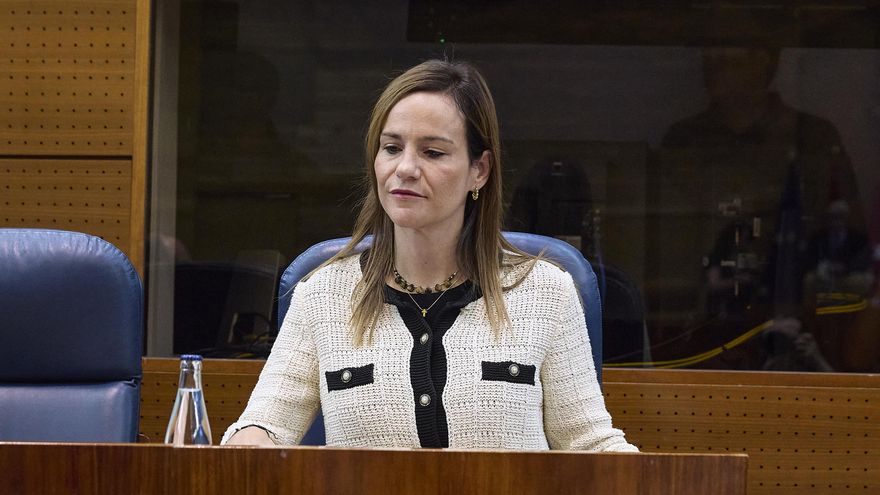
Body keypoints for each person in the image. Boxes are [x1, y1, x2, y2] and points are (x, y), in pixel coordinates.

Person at [221, 60, 637, 451]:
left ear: (479, 170)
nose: (404, 168)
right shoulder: (321, 295)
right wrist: (249, 444)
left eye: (432, 152)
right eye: (391, 147)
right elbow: (264, 426)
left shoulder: (548, 293)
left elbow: (592, 446)